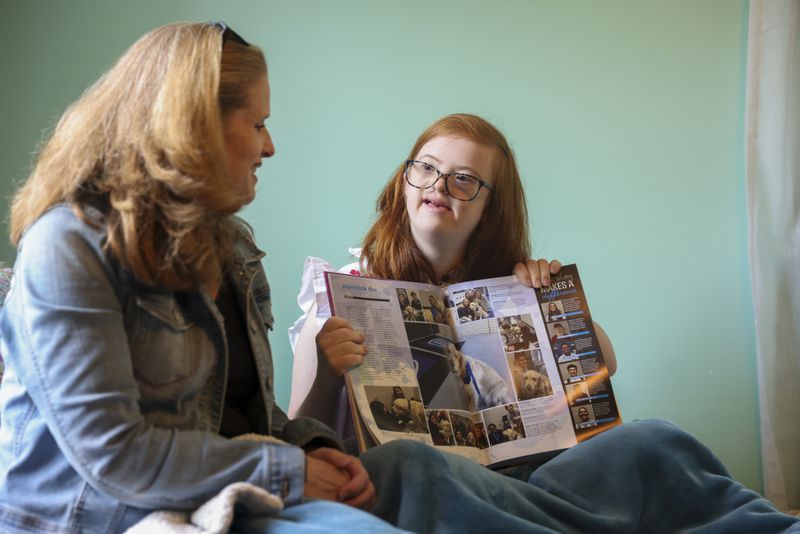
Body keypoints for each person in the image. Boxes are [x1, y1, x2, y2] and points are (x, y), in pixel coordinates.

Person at [0, 22, 401, 534]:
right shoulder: (66, 247)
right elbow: (114, 454)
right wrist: (288, 471)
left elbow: (237, 414)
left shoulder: (229, 245)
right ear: (196, 129)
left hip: (224, 489)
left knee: (415, 469)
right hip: (103, 515)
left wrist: (312, 446)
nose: (271, 145)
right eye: (258, 124)